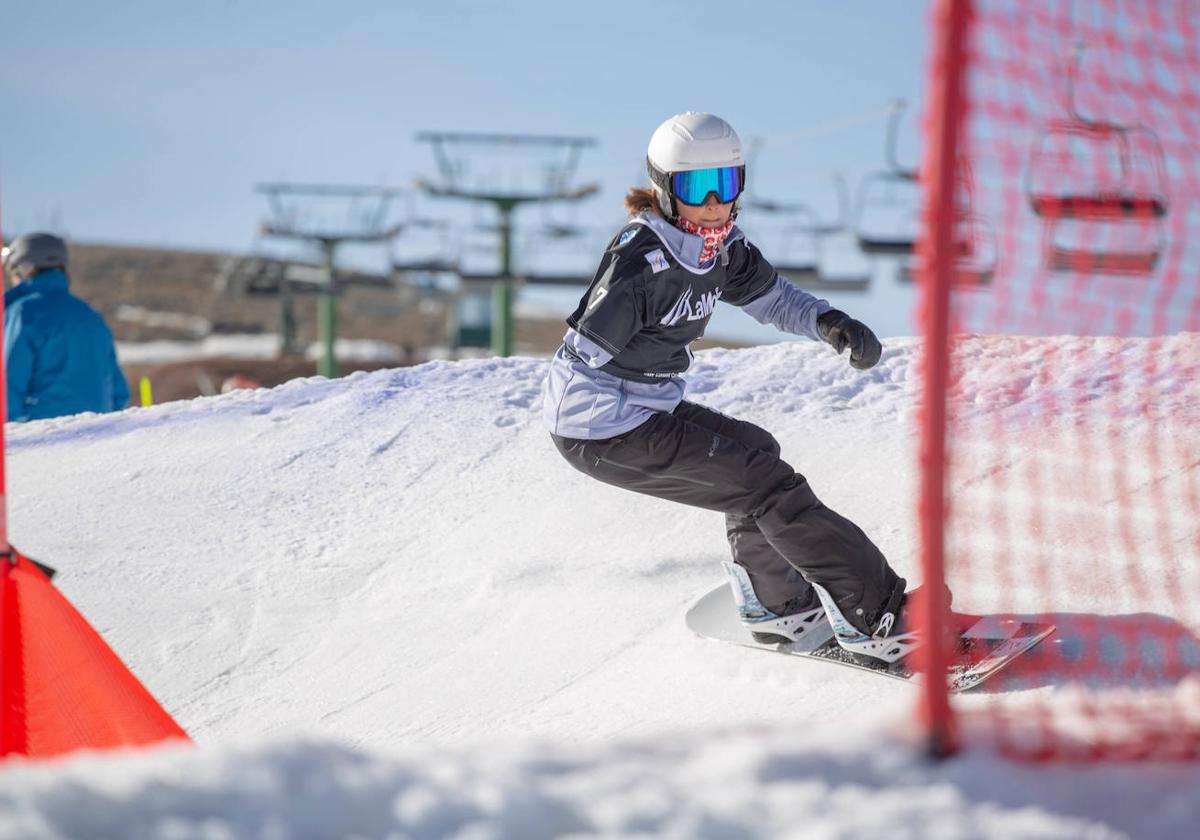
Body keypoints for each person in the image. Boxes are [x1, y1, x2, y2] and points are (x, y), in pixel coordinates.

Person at [542, 112, 927, 664]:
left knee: (758, 454)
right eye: (699, 188)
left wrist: (831, 323)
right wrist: (624, 341)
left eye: (726, 184)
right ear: (665, 189)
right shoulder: (641, 257)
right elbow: (585, 351)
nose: (715, 203)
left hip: (640, 411)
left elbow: (772, 299)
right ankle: (879, 617)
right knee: (769, 485)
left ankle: (781, 606)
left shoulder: (718, 248)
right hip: (599, 425)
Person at [2, 232, 130, 422]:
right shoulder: (92, 316)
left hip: (42, 435)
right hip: (98, 436)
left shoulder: (22, 312)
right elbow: (119, 393)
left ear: (23, 269)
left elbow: (8, 387)